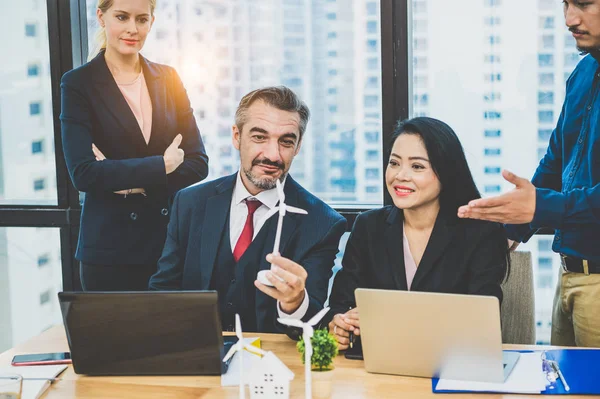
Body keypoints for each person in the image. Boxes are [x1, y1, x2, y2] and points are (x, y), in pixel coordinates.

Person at [457, 0, 600, 347]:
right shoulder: (582, 75)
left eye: (583, 4)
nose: (569, 19)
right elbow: (556, 162)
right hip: (569, 274)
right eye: (565, 4)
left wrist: (540, 208)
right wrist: (513, 229)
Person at [148, 86, 346, 334]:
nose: (273, 155)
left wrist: (294, 302)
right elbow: (163, 292)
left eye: (286, 142)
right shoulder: (189, 203)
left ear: (298, 147)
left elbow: (312, 323)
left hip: (276, 364)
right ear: (236, 136)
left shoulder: (323, 224)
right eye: (259, 137)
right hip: (198, 357)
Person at [60, 0, 209, 291]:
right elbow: (84, 174)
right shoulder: (78, 84)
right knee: (114, 337)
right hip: (108, 252)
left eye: (141, 19)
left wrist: (125, 180)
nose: (132, 29)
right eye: (122, 17)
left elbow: (198, 163)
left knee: (173, 335)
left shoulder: (168, 79)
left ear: (152, 22)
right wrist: (161, 166)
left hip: (167, 245)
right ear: (101, 17)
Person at [328, 117, 509, 350]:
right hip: (376, 365)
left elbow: (482, 323)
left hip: (450, 367)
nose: (400, 175)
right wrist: (339, 325)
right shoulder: (368, 226)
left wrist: (388, 320)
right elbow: (340, 305)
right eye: (394, 163)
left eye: (417, 166)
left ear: (446, 172)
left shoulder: (481, 233)